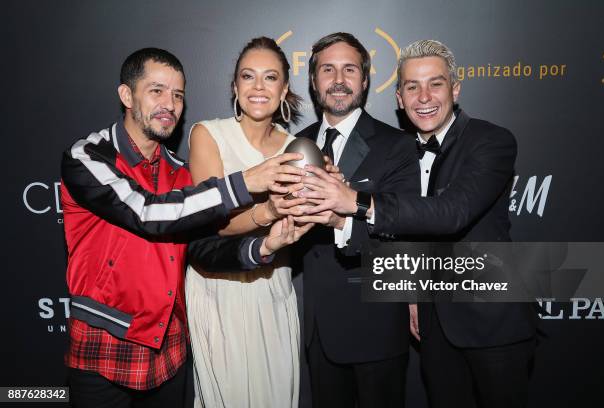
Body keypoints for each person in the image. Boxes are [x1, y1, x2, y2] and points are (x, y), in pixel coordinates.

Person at [60, 47, 306, 408]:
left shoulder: (180, 172)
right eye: (156, 91)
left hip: (169, 347)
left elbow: (203, 249)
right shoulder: (89, 155)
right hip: (106, 340)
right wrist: (244, 183)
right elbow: (145, 212)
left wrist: (264, 246)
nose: (169, 104)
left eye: (177, 95)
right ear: (127, 95)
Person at [300, 40, 538, 408]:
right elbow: (406, 235)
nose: (423, 96)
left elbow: (452, 214)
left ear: (455, 89)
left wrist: (355, 201)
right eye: (412, 86)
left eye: (436, 84)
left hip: (493, 320)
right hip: (432, 322)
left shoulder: (491, 140)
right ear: (399, 98)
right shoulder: (404, 150)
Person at [290, 32, 420, 408]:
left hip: (374, 326)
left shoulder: (396, 145)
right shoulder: (296, 144)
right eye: (327, 70)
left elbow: (403, 230)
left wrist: (341, 218)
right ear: (314, 82)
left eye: (349, 69)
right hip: (317, 329)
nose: (338, 80)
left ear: (365, 80)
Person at [185, 37, 315, 408]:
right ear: (234, 86)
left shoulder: (298, 147)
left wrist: (325, 191)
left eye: (270, 77)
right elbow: (210, 223)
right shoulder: (207, 134)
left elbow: (306, 218)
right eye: (248, 76)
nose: (258, 87)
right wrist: (270, 212)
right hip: (220, 288)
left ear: (284, 89)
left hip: (273, 285)